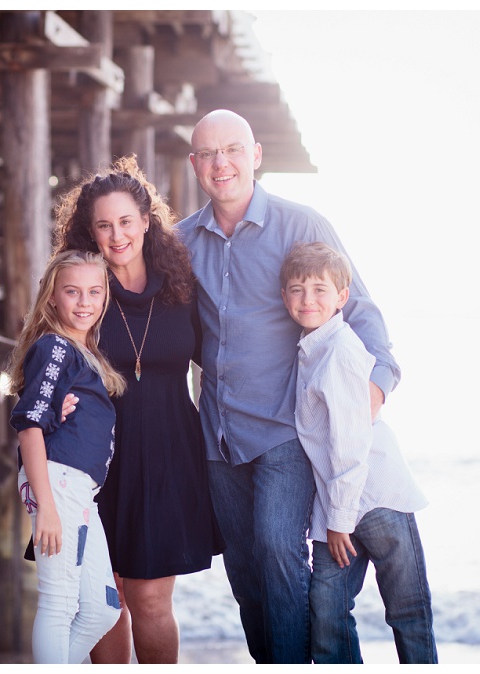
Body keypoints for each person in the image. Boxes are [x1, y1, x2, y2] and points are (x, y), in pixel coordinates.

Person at [175, 109, 401, 664]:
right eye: (208, 154)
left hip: (286, 430)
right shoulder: (180, 241)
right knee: (245, 569)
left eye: (232, 150)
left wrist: (370, 395)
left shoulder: (303, 225)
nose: (221, 163)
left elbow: (361, 313)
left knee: (279, 550)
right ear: (194, 164)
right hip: (217, 436)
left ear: (255, 155)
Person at [52, 155, 224, 663]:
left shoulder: (183, 286)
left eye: (126, 221)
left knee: (149, 599)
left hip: (169, 453)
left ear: (147, 221)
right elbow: (46, 356)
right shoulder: (82, 289)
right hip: (96, 457)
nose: (117, 235)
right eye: (104, 225)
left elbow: (224, 359)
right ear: (90, 231)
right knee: (105, 600)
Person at [280, 241, 436, 664]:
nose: (307, 299)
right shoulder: (311, 348)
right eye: (296, 289)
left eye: (319, 289)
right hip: (337, 506)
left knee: (408, 614)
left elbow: (350, 448)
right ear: (283, 297)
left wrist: (338, 522)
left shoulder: (340, 353)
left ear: (341, 298)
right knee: (327, 613)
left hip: (378, 500)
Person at [5, 250, 126, 664]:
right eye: (72, 292)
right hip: (58, 485)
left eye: (94, 292)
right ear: (53, 296)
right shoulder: (55, 347)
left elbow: (47, 416)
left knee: (103, 609)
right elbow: (28, 425)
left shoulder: (81, 350)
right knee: (59, 603)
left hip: (79, 493)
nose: (84, 302)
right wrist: (48, 508)